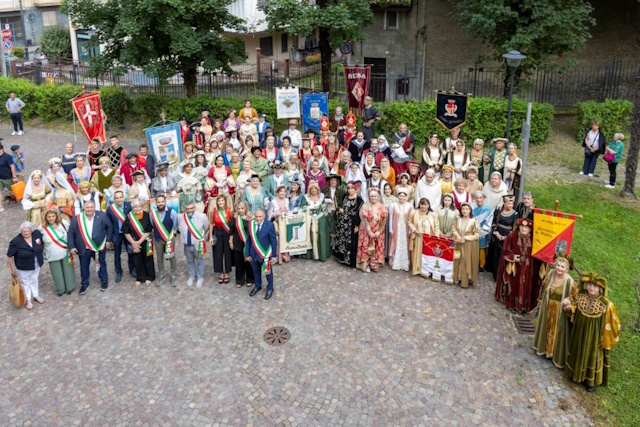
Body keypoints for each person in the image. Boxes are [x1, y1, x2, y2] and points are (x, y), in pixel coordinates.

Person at [561, 272, 621, 392]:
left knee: (592, 355)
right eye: (589, 285)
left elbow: (613, 323)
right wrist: (569, 305)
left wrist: (604, 337)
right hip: (579, 331)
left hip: (594, 336)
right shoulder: (580, 295)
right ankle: (575, 374)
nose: (591, 288)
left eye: (595, 286)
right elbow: (573, 303)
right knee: (578, 350)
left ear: (600, 288)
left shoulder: (606, 304)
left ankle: (590, 381)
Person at [532, 255, 578, 368]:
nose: (559, 268)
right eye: (558, 265)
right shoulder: (551, 274)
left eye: (563, 267)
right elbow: (544, 287)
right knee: (545, 327)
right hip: (547, 306)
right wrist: (540, 301)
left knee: (555, 331)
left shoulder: (570, 282)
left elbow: (575, 297)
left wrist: (568, 301)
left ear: (566, 269)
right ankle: (543, 348)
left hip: (559, 311)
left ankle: (552, 353)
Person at [67, 199, 112, 294]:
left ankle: (104, 281)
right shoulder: (77, 219)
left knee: (101, 264)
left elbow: (110, 227)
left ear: (95, 207)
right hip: (84, 248)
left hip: (98, 247)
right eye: (87, 207)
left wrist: (108, 240)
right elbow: (70, 233)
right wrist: (71, 246)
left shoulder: (102, 216)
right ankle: (84, 284)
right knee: (84, 267)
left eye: (91, 207)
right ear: (84, 208)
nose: (89, 209)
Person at [495, 217, 537, 314]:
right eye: (522, 226)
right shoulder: (512, 236)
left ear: (530, 229)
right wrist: (512, 256)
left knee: (526, 286)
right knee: (514, 285)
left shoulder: (534, 239)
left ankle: (524, 306)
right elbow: (505, 251)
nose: (524, 229)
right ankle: (512, 304)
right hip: (515, 267)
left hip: (528, 268)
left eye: (526, 228)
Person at [7, 221, 44, 311]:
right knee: (25, 282)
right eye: (24, 232)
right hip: (24, 266)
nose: (27, 233)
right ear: (21, 232)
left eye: (28, 231)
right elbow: (9, 256)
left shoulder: (37, 234)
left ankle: (35, 295)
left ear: (31, 230)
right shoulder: (16, 241)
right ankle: (28, 300)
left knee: (34, 279)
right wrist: (12, 269)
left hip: (36, 263)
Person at [40, 209, 76, 296]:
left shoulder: (64, 223)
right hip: (52, 253)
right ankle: (60, 289)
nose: (51, 218)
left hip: (65, 251)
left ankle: (70, 287)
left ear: (56, 216)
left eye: (53, 216)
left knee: (68, 270)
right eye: (49, 217)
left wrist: (72, 246)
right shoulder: (42, 228)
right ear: (45, 218)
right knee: (56, 272)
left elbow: (71, 235)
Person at [246, 208, 278, 300]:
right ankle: (257, 285)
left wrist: (274, 256)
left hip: (265, 255)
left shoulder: (269, 225)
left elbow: (273, 241)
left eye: (260, 216)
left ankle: (270, 288)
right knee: (255, 272)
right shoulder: (251, 224)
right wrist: (247, 254)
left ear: (264, 216)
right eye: (256, 216)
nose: (258, 219)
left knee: (268, 273)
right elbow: (248, 240)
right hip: (253, 254)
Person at [122, 200, 155, 286]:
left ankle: (149, 277)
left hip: (145, 241)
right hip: (134, 242)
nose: (137, 208)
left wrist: (139, 242)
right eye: (135, 207)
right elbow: (126, 232)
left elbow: (148, 230)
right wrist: (134, 243)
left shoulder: (147, 215)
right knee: (137, 260)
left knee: (148, 259)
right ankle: (140, 278)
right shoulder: (129, 217)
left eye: (139, 206)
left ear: (142, 206)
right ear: (132, 208)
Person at [486, 194, 517, 279]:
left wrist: (506, 237)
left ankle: (502, 274)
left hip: (508, 236)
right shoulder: (498, 212)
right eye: (508, 203)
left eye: (512, 204)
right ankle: (495, 272)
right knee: (496, 254)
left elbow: (515, 228)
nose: (510, 205)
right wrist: (497, 234)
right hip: (498, 234)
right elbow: (494, 223)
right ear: (504, 203)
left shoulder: (515, 214)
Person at [178, 201, 210, 287]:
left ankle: (200, 277)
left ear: (194, 208)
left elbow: (206, 228)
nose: (189, 210)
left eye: (191, 208)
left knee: (200, 261)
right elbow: (179, 228)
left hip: (198, 244)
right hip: (187, 245)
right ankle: (191, 276)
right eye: (187, 209)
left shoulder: (202, 216)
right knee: (190, 261)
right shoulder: (181, 217)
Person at [356, 187, 388, 272]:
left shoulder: (382, 207)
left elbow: (384, 221)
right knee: (366, 246)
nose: (373, 198)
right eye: (372, 196)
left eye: (375, 196)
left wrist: (379, 231)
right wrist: (369, 231)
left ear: (378, 197)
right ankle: (365, 264)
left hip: (377, 231)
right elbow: (364, 220)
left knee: (376, 247)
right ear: (369, 197)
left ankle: (374, 264)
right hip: (366, 231)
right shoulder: (365, 206)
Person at [333, 181, 364, 267]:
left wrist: (357, 225)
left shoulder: (359, 200)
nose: (350, 190)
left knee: (351, 242)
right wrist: (339, 209)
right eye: (349, 189)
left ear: (355, 189)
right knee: (342, 240)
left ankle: (350, 260)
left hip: (352, 224)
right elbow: (339, 205)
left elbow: (359, 214)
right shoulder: (345, 197)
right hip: (343, 224)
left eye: (352, 189)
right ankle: (341, 258)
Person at [106, 190, 135, 283]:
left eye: (120, 197)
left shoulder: (129, 205)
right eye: (117, 198)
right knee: (117, 255)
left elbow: (133, 220)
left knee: (130, 252)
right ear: (114, 199)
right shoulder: (110, 209)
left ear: (123, 197)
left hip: (127, 234)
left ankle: (132, 269)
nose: (119, 199)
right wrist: (109, 238)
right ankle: (118, 272)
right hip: (116, 234)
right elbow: (108, 224)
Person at [150, 195, 178, 286]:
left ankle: (173, 275)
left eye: (162, 202)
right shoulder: (152, 213)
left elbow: (175, 225)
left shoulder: (172, 212)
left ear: (165, 202)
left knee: (172, 257)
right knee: (159, 258)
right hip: (158, 239)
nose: (160, 203)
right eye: (159, 202)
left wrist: (172, 235)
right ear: (156, 203)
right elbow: (152, 225)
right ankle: (161, 275)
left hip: (169, 239)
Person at [408, 198, 440, 276]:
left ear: (428, 205)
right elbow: (409, 222)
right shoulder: (414, 212)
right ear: (419, 204)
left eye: (425, 205)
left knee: (427, 254)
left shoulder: (433, 214)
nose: (423, 206)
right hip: (418, 237)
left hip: (429, 238)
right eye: (422, 204)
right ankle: (417, 269)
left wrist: (436, 237)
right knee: (417, 253)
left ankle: (426, 270)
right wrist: (414, 230)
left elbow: (436, 226)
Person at [301, 181, 331, 262]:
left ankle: (322, 254)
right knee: (310, 234)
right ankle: (311, 254)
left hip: (320, 218)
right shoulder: (306, 197)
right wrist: (307, 208)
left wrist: (327, 206)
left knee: (321, 234)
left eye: (315, 188)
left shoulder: (322, 196)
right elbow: (302, 207)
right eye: (312, 189)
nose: (313, 190)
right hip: (309, 218)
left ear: (318, 189)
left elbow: (325, 209)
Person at [452, 202, 481, 288]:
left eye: (467, 209)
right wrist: (457, 235)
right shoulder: (457, 219)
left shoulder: (474, 221)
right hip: (458, 243)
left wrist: (466, 238)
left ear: (470, 210)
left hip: (469, 245)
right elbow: (453, 227)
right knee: (457, 259)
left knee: (466, 261)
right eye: (463, 209)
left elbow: (477, 235)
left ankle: (466, 280)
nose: (465, 211)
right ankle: (457, 277)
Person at [209, 194, 233, 284]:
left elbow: (232, 224)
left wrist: (232, 237)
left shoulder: (230, 210)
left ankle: (227, 271)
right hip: (217, 232)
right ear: (217, 202)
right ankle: (220, 272)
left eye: (222, 200)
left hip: (227, 233)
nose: (220, 202)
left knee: (227, 252)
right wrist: (211, 236)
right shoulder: (214, 211)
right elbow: (211, 223)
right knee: (217, 253)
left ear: (225, 201)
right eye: (219, 201)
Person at [230, 201, 255, 287]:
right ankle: (239, 280)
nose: (240, 210)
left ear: (246, 208)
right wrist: (230, 241)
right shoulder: (235, 217)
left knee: (248, 262)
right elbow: (232, 230)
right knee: (238, 262)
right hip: (237, 243)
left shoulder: (250, 218)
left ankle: (250, 279)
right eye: (239, 208)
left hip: (247, 243)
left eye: (242, 208)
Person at [387, 191, 412, 271]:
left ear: (406, 197)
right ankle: (395, 262)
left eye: (403, 196)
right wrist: (390, 229)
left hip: (405, 228)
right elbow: (391, 217)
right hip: (396, 228)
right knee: (396, 243)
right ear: (398, 196)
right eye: (400, 196)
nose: (402, 197)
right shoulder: (393, 205)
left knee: (405, 245)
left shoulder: (409, 206)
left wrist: (410, 230)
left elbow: (411, 219)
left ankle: (405, 263)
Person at [471, 191, 494, 272]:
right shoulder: (471, 206)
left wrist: (481, 233)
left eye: (480, 198)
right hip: (471, 231)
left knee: (481, 249)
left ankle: (481, 264)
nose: (479, 199)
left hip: (483, 232)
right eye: (477, 198)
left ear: (483, 198)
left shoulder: (488, 209)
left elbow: (489, 223)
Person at [267, 185, 290, 264]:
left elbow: (288, 211)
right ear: (277, 192)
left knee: (285, 238)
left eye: (284, 191)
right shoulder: (273, 201)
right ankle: (277, 256)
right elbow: (269, 214)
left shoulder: (286, 200)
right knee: (277, 240)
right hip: (276, 222)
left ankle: (285, 255)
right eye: (281, 191)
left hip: (285, 222)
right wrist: (276, 213)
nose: (283, 193)